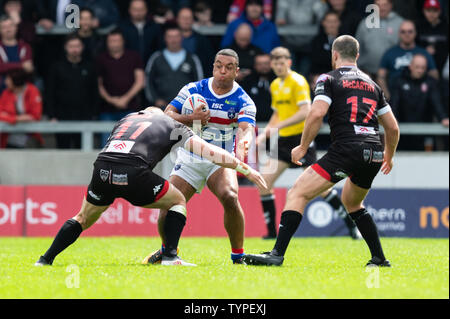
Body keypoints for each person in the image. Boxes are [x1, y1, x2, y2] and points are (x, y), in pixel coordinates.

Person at [35, 107, 267, 267]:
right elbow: (211, 153)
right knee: (177, 201)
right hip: (133, 172)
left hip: (103, 168)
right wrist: (245, 169)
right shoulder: (171, 124)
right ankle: (170, 257)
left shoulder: (127, 119)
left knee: (83, 217)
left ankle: (45, 259)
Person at [243, 35, 400, 267]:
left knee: (297, 193)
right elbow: (393, 127)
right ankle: (379, 257)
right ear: (356, 56)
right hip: (373, 152)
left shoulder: (328, 78)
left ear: (334, 55)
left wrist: (303, 146)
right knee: (353, 203)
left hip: (347, 148)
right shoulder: (373, 84)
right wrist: (389, 155)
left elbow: (315, 113)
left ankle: (276, 254)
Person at [143, 49, 258, 265]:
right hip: (191, 156)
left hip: (220, 159)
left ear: (237, 71)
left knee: (231, 197)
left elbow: (245, 130)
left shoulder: (243, 99)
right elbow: (167, 115)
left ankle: (238, 256)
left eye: (229, 67)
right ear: (213, 66)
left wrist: (243, 148)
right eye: (218, 65)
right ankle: (167, 251)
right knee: (168, 205)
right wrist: (191, 118)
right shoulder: (194, 89)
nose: (222, 71)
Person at [255, 47, 360, 240]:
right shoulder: (275, 85)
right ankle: (271, 233)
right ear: (271, 65)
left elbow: (306, 111)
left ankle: (352, 226)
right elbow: (277, 113)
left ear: (289, 62)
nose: (278, 66)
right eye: (275, 63)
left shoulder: (298, 81)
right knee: (264, 182)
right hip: (284, 141)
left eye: (282, 62)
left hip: (301, 140)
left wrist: (277, 127)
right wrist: (265, 134)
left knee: (321, 189)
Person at [46, 33, 98, 149]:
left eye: (77, 46)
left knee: (83, 149)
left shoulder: (89, 67)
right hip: (61, 116)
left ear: (82, 47)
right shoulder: (56, 67)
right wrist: (51, 115)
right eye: (71, 46)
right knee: (62, 149)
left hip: (84, 116)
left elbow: (94, 92)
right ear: (65, 47)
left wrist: (93, 114)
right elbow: (50, 92)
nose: (75, 49)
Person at [96, 28, 145, 146]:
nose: (114, 44)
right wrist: (111, 99)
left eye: (117, 41)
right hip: (107, 109)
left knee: (129, 145)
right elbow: (98, 84)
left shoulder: (133, 57)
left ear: (123, 42)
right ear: (107, 43)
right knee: (107, 144)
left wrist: (125, 99)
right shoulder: (101, 59)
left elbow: (140, 81)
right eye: (111, 41)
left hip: (130, 107)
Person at [390, 54, 449, 151]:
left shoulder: (431, 82)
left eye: (423, 67)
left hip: (425, 131)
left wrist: (443, 118)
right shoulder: (399, 81)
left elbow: (436, 102)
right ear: (410, 66)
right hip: (403, 131)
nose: (420, 70)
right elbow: (394, 103)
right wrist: (393, 119)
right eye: (417, 67)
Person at [144, 24, 203, 109]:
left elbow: (199, 83)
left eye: (176, 36)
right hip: (161, 109)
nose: (173, 40)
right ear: (165, 38)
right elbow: (148, 81)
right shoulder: (156, 58)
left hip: (186, 108)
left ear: (181, 38)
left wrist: (193, 101)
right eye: (170, 37)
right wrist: (155, 99)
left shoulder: (192, 58)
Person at [377, 20, 439, 100]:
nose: (407, 34)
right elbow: (380, 77)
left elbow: (434, 76)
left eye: (410, 31)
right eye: (403, 32)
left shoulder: (424, 53)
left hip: (420, 97)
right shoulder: (390, 53)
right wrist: (388, 97)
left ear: (415, 33)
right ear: (399, 33)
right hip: (395, 96)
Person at [355, 0, 404, 78]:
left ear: (391, 5)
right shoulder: (365, 23)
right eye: (378, 5)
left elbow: (405, 47)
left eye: (385, 5)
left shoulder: (401, 23)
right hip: (368, 73)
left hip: (394, 74)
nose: (381, 8)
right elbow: (357, 47)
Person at [0, 68, 42, 148]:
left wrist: (7, 116)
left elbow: (35, 116)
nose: (5, 82)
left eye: (8, 80)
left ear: (15, 81)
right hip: (8, 139)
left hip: (29, 138)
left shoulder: (32, 91)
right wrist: (16, 118)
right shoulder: (6, 93)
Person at [119, 0, 162, 64]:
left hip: (151, 65)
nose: (138, 12)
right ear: (129, 10)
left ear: (146, 10)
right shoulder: (122, 28)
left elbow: (159, 48)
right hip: (128, 66)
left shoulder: (154, 27)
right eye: (135, 9)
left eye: (141, 9)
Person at [176, 7, 215, 77]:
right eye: (183, 18)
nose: (186, 20)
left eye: (188, 18)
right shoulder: (169, 39)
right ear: (177, 20)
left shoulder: (203, 40)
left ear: (193, 20)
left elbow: (209, 64)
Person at [0, 15, 33, 93]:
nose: (8, 29)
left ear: (16, 27)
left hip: (22, 89)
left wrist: (7, 66)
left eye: (10, 26)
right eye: (4, 27)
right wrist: (21, 65)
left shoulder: (25, 46)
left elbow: (28, 68)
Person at [416, 0, 449, 77]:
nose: (431, 14)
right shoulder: (418, 27)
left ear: (440, 11)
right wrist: (424, 51)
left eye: (435, 11)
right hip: (422, 68)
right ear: (424, 11)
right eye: (428, 10)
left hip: (443, 68)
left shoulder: (446, 27)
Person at [241, 53, 275, 122]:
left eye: (266, 63)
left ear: (271, 64)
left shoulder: (277, 81)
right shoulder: (247, 81)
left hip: (274, 124)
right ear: (255, 66)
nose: (263, 66)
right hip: (251, 123)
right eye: (260, 64)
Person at [310, 11, 341, 83]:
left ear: (339, 23)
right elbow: (315, 62)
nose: (332, 25)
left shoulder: (344, 40)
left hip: (341, 76)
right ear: (323, 23)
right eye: (329, 21)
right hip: (321, 76)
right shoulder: (317, 41)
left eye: (334, 21)